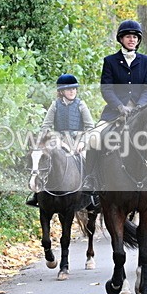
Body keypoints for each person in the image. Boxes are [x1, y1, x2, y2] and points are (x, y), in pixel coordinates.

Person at [81, 20, 147, 194]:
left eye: (135, 37)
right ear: (121, 39)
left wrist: (139, 106)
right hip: (114, 113)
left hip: (141, 112)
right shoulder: (110, 61)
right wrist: (119, 106)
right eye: (128, 37)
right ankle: (91, 178)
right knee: (94, 137)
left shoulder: (146, 61)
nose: (132, 40)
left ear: (138, 40)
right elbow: (106, 88)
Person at [26, 73, 94, 206]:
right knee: (43, 160)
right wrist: (53, 140)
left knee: (87, 158)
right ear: (62, 91)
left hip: (78, 141)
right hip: (58, 140)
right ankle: (37, 194)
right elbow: (45, 126)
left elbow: (90, 126)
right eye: (69, 89)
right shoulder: (55, 105)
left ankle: (90, 189)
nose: (72, 91)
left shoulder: (81, 105)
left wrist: (82, 142)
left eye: (74, 89)